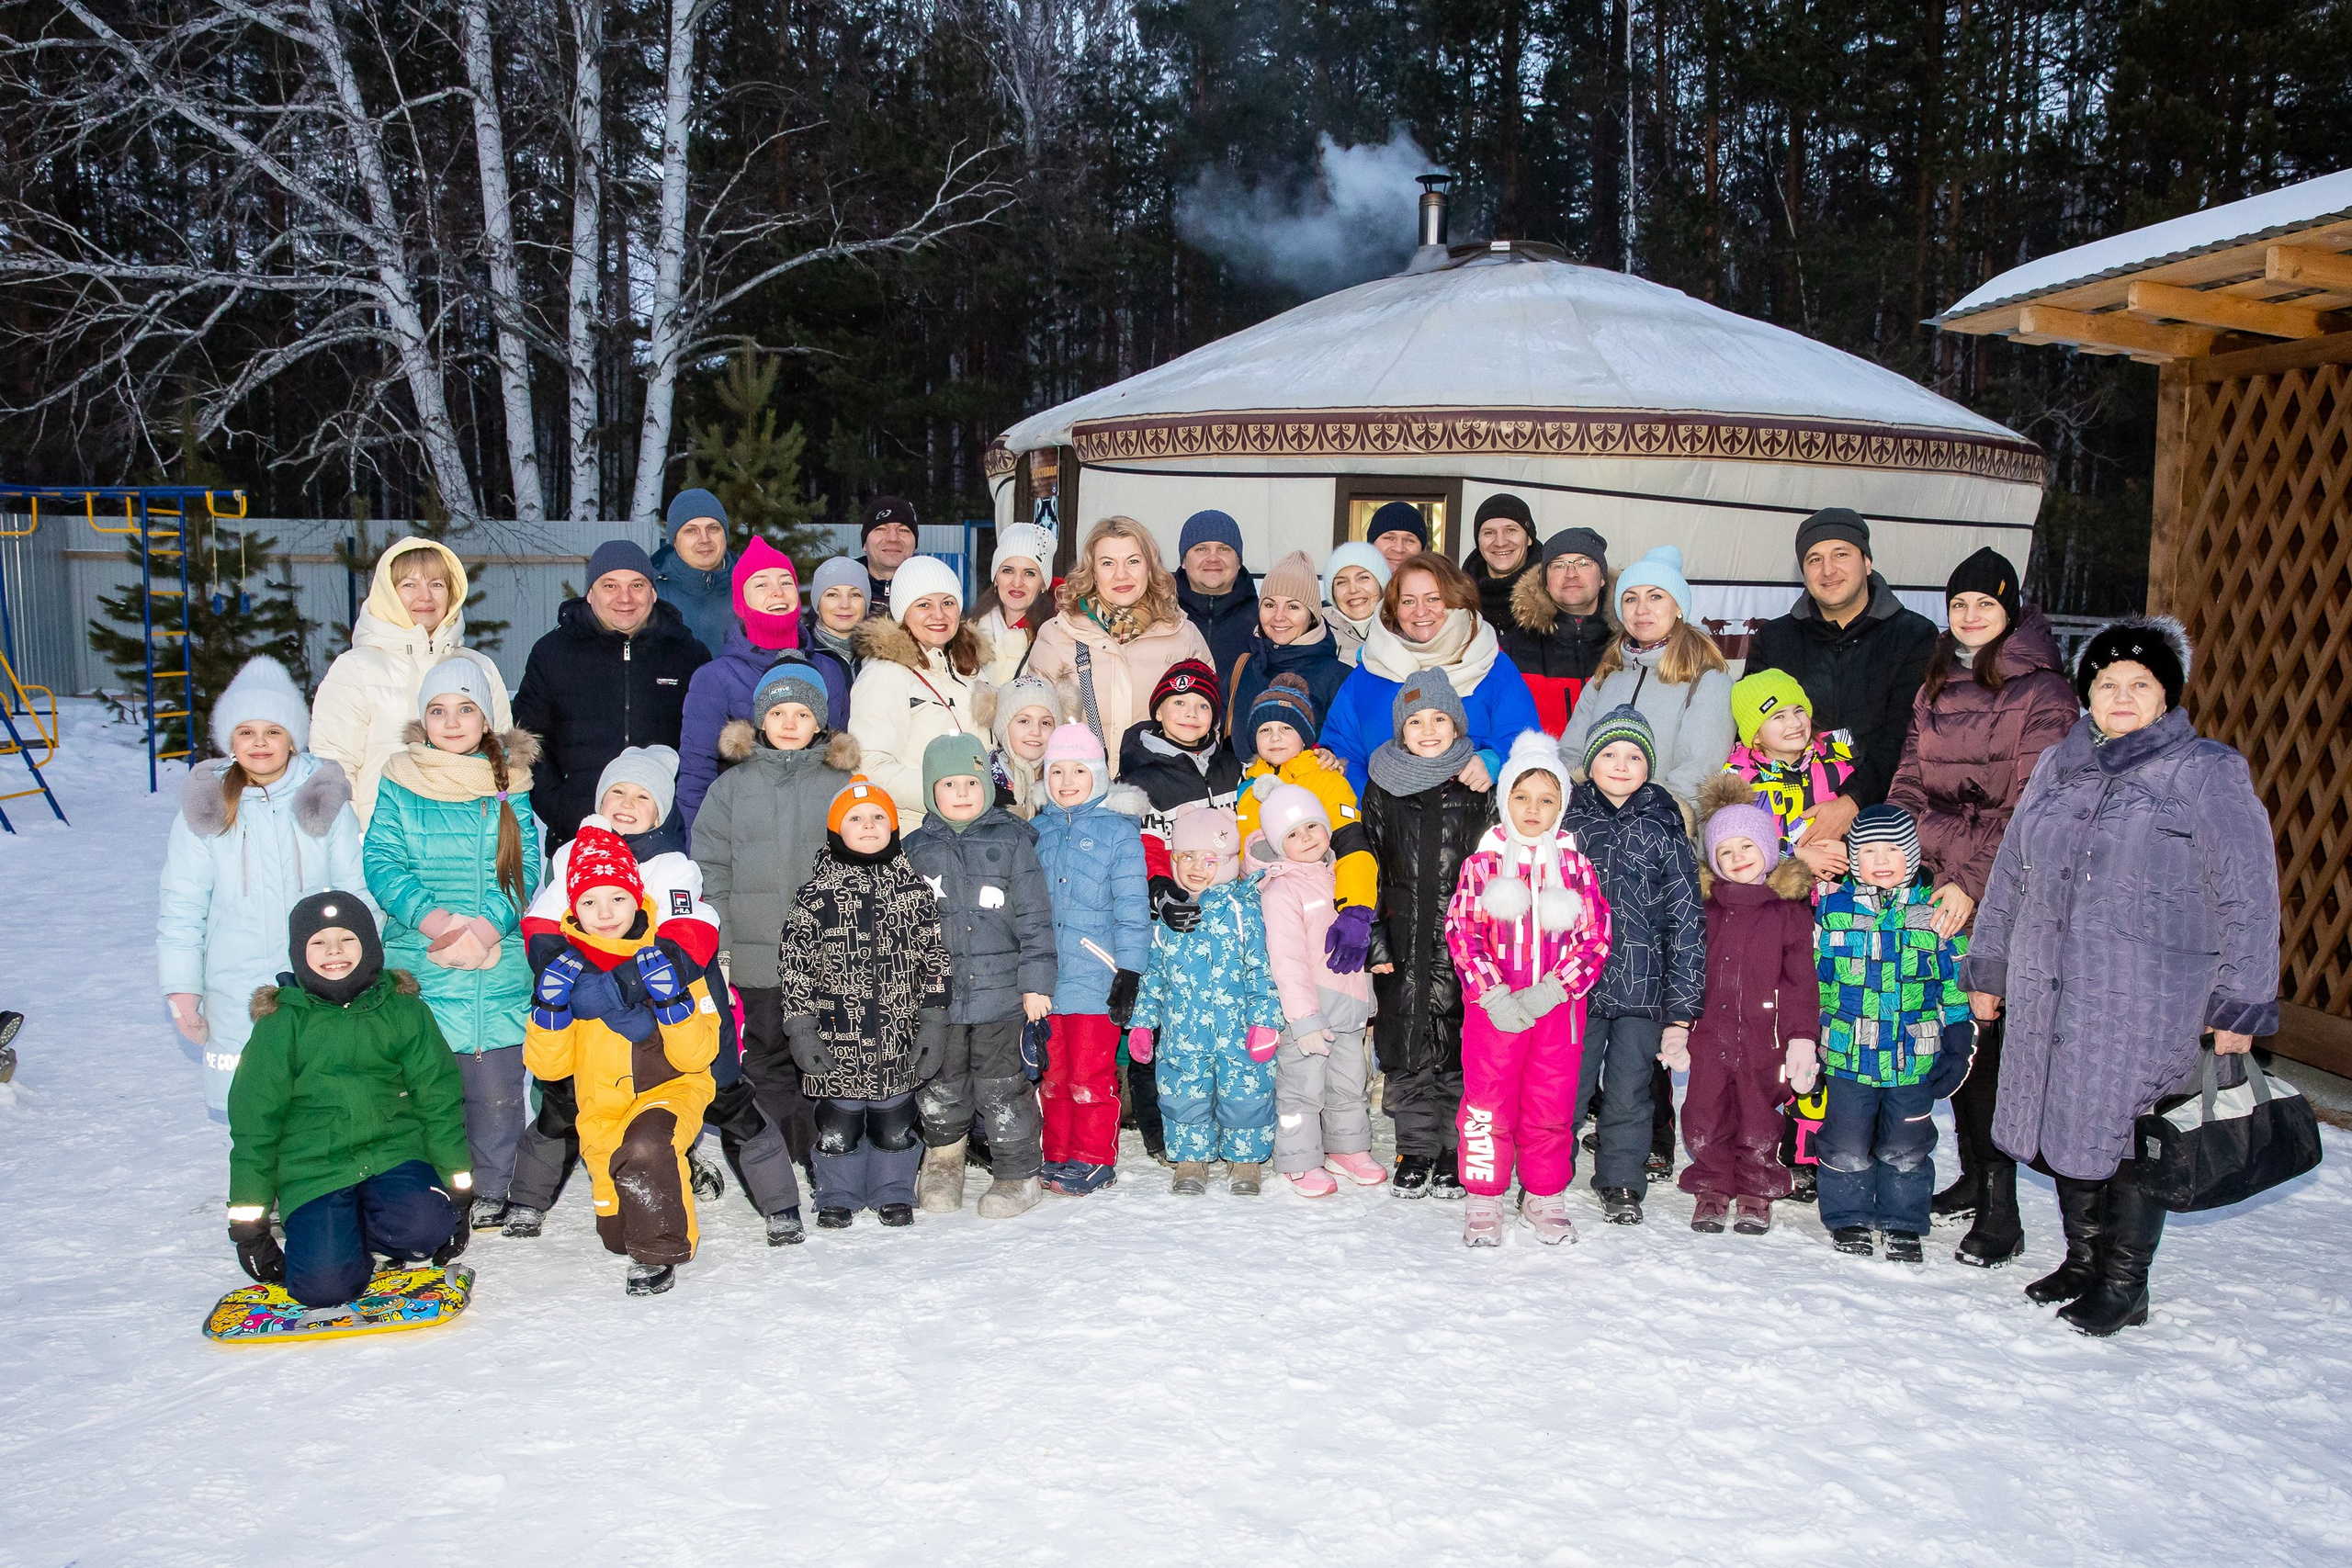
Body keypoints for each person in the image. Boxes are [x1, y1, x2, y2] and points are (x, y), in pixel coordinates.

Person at [1963, 616, 2278, 1336]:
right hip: (2052, 983)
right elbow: (2012, 870)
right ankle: (2081, 1258)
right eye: (2108, 683)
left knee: (2137, 1132)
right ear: (2087, 694)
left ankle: (2123, 1280)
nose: (2123, 696)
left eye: (2141, 683)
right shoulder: (2057, 765)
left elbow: (2248, 891)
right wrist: (1991, 963)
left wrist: (2242, 1002)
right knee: (2067, 1121)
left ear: (2168, 693)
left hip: (2153, 995)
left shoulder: (2207, 771)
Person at [1884, 547, 2079, 1267]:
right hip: (1931, 877)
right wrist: (1897, 855)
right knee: (1948, 1031)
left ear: (2011, 610)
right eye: (1959, 604)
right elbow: (1909, 775)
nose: (1969, 617)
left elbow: (2033, 806)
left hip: (2002, 887)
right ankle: (1972, 1174)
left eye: (1984, 606)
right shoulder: (1938, 675)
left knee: (1986, 1037)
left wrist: (1968, 881)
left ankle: (2003, 1207)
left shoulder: (2045, 694)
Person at [510, 748, 753, 1240]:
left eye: (642, 796)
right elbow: (540, 926)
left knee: (687, 1100)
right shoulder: (571, 858)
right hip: (583, 1022)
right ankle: (529, 1199)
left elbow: (691, 933)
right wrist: (573, 989)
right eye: (616, 791)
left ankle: (705, 1183)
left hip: (655, 1013)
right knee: (563, 1104)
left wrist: (625, 985)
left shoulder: (672, 867)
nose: (626, 802)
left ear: (660, 811)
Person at [361, 658, 542, 1231]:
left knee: (495, 1087)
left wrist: (489, 927)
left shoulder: (509, 782)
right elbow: (381, 859)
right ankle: (431, 1184)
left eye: (466, 709)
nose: (452, 721)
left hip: (497, 957)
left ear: (486, 719)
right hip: (422, 956)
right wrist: (436, 921)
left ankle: (493, 1183)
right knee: (426, 1082)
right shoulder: (400, 776)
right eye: (438, 710)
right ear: (423, 720)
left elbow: (525, 863)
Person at [224, 893, 471, 1306]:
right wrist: (249, 1226)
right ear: (299, 953)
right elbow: (254, 1126)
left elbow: (439, 1098)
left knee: (426, 1229)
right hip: (313, 1168)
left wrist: (457, 1189)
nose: (334, 952)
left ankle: (366, 1225)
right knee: (324, 1290)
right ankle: (334, 1238)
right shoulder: (281, 1025)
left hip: (394, 1153)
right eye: (318, 943)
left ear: (370, 945)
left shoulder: (403, 1011)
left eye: (347, 940)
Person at [690, 659, 861, 1236]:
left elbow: (866, 865)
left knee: (823, 1059)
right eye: (779, 713)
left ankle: (822, 1156)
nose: (791, 723)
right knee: (762, 1058)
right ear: (760, 720)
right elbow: (710, 871)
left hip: (826, 958)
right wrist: (726, 942)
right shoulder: (730, 789)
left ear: (822, 724)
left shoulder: (844, 789)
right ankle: (774, 1157)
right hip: (757, 957)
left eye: (804, 713)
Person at [162, 658, 369, 1117]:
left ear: (292, 737)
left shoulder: (324, 799)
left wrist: (359, 967)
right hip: (234, 979)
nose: (260, 743)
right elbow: (182, 905)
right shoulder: (206, 806)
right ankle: (256, 1190)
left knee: (320, 1095)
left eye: (273, 731)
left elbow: (358, 892)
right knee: (252, 1102)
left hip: (318, 976)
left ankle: (315, 1186)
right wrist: (182, 986)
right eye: (246, 731)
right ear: (229, 739)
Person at [525, 818, 721, 1293]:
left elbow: (699, 1055)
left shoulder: (668, 955)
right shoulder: (566, 968)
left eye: (617, 897)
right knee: (616, 1236)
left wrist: (673, 1004)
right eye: (589, 901)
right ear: (573, 907)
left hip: (671, 1089)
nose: (605, 912)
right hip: (602, 1110)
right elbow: (551, 1069)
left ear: (638, 897)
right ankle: (670, 1179)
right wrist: (550, 1011)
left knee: (648, 1146)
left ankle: (659, 1255)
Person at [1445, 731, 1612, 1247]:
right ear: (1504, 801)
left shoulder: (1577, 868)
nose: (1533, 810)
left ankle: (1543, 1195)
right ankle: (1484, 1197)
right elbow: (1462, 932)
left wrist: (1553, 991)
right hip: (1493, 1012)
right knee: (1487, 1104)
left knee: (1551, 1105)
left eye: (1546, 800)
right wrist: (1493, 994)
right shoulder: (1483, 865)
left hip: (1556, 1013)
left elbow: (1596, 938)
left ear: (1561, 805)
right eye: (1521, 797)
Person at [777, 775, 951, 1229]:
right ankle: (837, 1192)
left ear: (893, 828)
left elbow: (934, 957)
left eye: (879, 817)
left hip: (900, 1034)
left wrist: (934, 1021)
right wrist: (800, 1026)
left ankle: (893, 1191)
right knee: (839, 1124)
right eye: (856, 818)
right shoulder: (815, 896)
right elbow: (795, 965)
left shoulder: (913, 892)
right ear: (837, 829)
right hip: (836, 1037)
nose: (869, 825)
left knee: (894, 1124)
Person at [1808, 805, 1975, 1266]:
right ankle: (1849, 1217)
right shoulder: (1832, 911)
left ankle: (1903, 1223)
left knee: (1907, 1147)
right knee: (1846, 1140)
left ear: (1913, 853)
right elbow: (1814, 982)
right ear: (1853, 857)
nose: (1881, 859)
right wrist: (1809, 1039)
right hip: (1846, 1052)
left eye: (1893, 849)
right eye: (1869, 851)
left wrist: (1960, 1039)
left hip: (1914, 1057)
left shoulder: (1934, 913)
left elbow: (1955, 983)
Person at [1560, 706, 1704, 1225]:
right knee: (1565, 1090)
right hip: (1576, 987)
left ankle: (1621, 1178)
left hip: (1644, 993)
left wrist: (1681, 1008)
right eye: (1609, 754)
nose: (1621, 765)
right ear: (1590, 762)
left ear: (1650, 766)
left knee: (1629, 1093)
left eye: (1635, 756)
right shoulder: (1567, 823)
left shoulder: (1665, 826)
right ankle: (1547, 1176)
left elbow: (1686, 921)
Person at [905, 735, 1057, 1220]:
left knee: (1003, 1086)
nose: (963, 792)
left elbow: (1035, 917)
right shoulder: (913, 850)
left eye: (972, 781)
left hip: (1002, 997)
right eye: (950, 783)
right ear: (932, 791)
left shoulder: (1013, 841)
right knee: (941, 1083)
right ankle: (943, 1164)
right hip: (939, 999)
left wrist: (1037, 984)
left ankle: (1018, 1172)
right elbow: (901, 927)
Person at [1360, 669, 1497, 1196]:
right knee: (1407, 1042)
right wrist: (1372, 934)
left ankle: (1451, 1149)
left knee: (1460, 1042)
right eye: (1416, 721)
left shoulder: (1477, 781)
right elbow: (1364, 862)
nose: (1429, 729)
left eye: (1440, 718)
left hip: (1466, 939)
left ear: (1458, 723)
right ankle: (1414, 1148)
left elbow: (1497, 861)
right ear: (1400, 730)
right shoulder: (1381, 784)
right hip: (1401, 934)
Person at [1742, 507, 1939, 842]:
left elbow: (1905, 734)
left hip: (1882, 822)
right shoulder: (1774, 641)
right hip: (1787, 823)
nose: (1827, 570)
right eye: (1814, 559)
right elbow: (1750, 732)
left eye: (1841, 554)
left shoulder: (1914, 636)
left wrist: (1853, 802)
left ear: (1866, 562)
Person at [1679, 776, 1816, 1234]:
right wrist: (1679, 1026)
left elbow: (1800, 981)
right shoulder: (1706, 910)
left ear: (1767, 850)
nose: (1737, 858)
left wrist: (1801, 1040)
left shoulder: (1788, 912)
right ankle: (1713, 1185)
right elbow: (1687, 968)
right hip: (1710, 1034)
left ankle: (1757, 1188)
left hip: (1766, 1038)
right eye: (1725, 852)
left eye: (1746, 847)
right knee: (1703, 1111)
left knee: (1760, 1114)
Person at [1125, 807, 1284, 1196]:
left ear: (1230, 861)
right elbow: (1154, 974)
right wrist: (1143, 1023)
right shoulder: (1168, 915)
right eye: (1186, 857)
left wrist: (1265, 1021)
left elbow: (1261, 969)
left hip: (1239, 1029)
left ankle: (1245, 1160)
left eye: (1209, 859)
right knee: (1183, 1095)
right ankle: (1190, 1159)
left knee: (1245, 1095)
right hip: (1184, 1031)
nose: (1196, 867)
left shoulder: (1245, 910)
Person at [513, 538, 710, 850]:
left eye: (637, 585)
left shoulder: (688, 654)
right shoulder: (553, 653)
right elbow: (528, 740)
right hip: (576, 839)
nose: (625, 598)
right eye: (610, 586)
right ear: (590, 593)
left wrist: (680, 813)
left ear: (653, 592)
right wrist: (563, 811)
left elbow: (704, 745)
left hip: (665, 841)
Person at [311, 536, 511, 826]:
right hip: (381, 845)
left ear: (452, 593)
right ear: (387, 594)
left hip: (467, 844)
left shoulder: (479, 667)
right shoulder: (356, 668)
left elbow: (503, 759)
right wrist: (354, 844)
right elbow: (332, 768)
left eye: (436, 584)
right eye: (409, 585)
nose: (425, 596)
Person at [1031, 723, 1152, 1196]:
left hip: (1097, 976)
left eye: (1078, 770)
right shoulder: (1036, 831)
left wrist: (1129, 971)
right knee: (1053, 1076)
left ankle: (1094, 1156)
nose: (1065, 781)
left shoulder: (1118, 833)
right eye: (1056, 771)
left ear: (1098, 775)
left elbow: (1131, 908)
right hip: (1046, 977)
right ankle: (1057, 1152)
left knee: (1090, 1074)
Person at [1252, 784, 1385, 1199]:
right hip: (1307, 1011)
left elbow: (1360, 947)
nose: (1307, 838)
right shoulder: (1280, 890)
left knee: (1349, 1083)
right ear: (1277, 844)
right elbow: (1286, 959)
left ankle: (1347, 1150)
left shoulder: (1342, 878)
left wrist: (1369, 1001)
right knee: (1302, 1089)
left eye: (1313, 826)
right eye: (1293, 833)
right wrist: (1303, 1017)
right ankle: (1298, 1159)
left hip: (1348, 1005)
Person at [1321, 551, 1542, 796]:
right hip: (1384, 828)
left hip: (1475, 823)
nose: (1420, 611)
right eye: (1408, 601)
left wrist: (1494, 759)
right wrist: (1373, 807)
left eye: (1433, 599)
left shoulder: (1492, 665)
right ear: (1393, 609)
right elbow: (1341, 752)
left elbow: (1524, 737)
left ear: (1456, 600)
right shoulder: (1369, 672)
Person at [677, 537, 842, 830]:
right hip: (744, 840)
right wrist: (701, 859)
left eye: (786, 582)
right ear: (741, 602)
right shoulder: (715, 679)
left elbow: (841, 767)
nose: (777, 592)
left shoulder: (827, 671)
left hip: (815, 836)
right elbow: (696, 779)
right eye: (761, 584)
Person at [1025, 516, 1215, 770]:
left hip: (1163, 793)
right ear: (1092, 571)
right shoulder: (1059, 634)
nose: (1121, 575)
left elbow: (1208, 720)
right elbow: (1034, 724)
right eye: (1108, 563)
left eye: (1133, 561)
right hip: (1084, 792)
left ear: (1149, 566)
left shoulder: (1182, 635)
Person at [1557, 545, 1734, 809]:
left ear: (1678, 608)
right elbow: (1571, 752)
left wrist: (1646, 819)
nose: (1641, 609)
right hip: (1591, 827)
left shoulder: (1707, 679)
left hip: (1661, 834)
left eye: (1655, 597)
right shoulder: (1608, 674)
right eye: (1630, 599)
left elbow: (1697, 772)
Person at [1232, 675, 1376, 965]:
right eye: (1265, 729)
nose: (1275, 737)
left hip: (1320, 913)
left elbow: (1352, 844)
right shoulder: (1247, 787)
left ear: (1304, 734)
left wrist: (1356, 908)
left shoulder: (1325, 779)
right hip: (1260, 919)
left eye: (1286, 728)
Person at [846, 555, 982, 828]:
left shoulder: (971, 667)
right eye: (923, 605)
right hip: (918, 830)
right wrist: (943, 792)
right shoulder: (885, 673)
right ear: (902, 612)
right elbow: (869, 767)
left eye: (948, 602)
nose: (939, 615)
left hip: (974, 830)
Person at [1118, 658, 1242, 931]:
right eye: (1179, 702)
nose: (1191, 713)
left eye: (1203, 705)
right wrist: (1161, 892)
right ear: (1159, 712)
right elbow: (1144, 848)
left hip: (1234, 909)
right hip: (1178, 908)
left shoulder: (1231, 767)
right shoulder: (1142, 778)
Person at [1724, 669, 1855, 879]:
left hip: (1843, 892)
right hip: (1776, 896)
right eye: (1779, 716)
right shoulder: (1738, 779)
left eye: (1799, 710)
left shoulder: (1840, 754)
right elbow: (1732, 846)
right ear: (1755, 735)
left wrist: (1853, 849)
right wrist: (1796, 855)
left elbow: (1875, 817)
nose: (1795, 723)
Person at [1224, 550, 1348, 765]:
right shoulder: (1243, 668)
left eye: (1293, 606)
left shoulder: (1339, 677)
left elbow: (1350, 749)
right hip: (1246, 795)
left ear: (1311, 615)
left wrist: (1331, 756)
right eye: (1270, 605)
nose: (1279, 617)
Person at [1500, 526, 1612, 735]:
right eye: (1559, 565)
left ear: (1603, 577)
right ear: (1544, 581)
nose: (1571, 574)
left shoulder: (1627, 645)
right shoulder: (1511, 647)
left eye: (1584, 563)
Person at [1173, 509, 1258, 686]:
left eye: (1224, 549)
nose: (1213, 558)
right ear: (1183, 561)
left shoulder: (1266, 621)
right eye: (1201, 549)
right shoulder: (1160, 614)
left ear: (1239, 561)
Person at [650, 488, 739, 657]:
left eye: (713, 528)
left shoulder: (751, 586)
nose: (704, 539)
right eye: (691, 530)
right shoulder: (650, 591)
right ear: (675, 540)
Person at [973, 522, 1056, 687]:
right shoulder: (969, 634)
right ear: (996, 579)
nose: (1017, 583)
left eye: (1029, 573)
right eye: (1007, 571)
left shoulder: (1056, 637)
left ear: (1043, 584)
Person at [978, 672, 1063, 819]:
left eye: (1046, 723)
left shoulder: (1067, 783)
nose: (1036, 731)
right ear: (1004, 728)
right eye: (1024, 721)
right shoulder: (980, 783)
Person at [1466, 493, 1541, 639]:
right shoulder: (1457, 598)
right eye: (1489, 533)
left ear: (1529, 538)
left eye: (1511, 530)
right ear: (1478, 542)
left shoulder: (1554, 594)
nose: (1500, 542)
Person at [1319, 543, 1390, 667]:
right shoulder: (1316, 633)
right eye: (1342, 582)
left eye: (1363, 578)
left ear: (1381, 585)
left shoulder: (1405, 629)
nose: (1353, 589)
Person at [803, 557, 869, 685]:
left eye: (855, 595)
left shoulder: (882, 657)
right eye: (832, 595)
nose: (845, 605)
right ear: (817, 604)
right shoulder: (801, 656)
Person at [858, 495, 921, 602]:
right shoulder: (839, 588)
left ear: (914, 544)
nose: (893, 538)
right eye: (881, 529)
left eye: (903, 530)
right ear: (864, 543)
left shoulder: (936, 590)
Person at [1363, 501, 1432, 573]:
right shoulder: (1353, 583)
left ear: (1423, 549)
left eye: (1409, 540)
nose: (1399, 549)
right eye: (1389, 538)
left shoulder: (1438, 584)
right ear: (1371, 545)